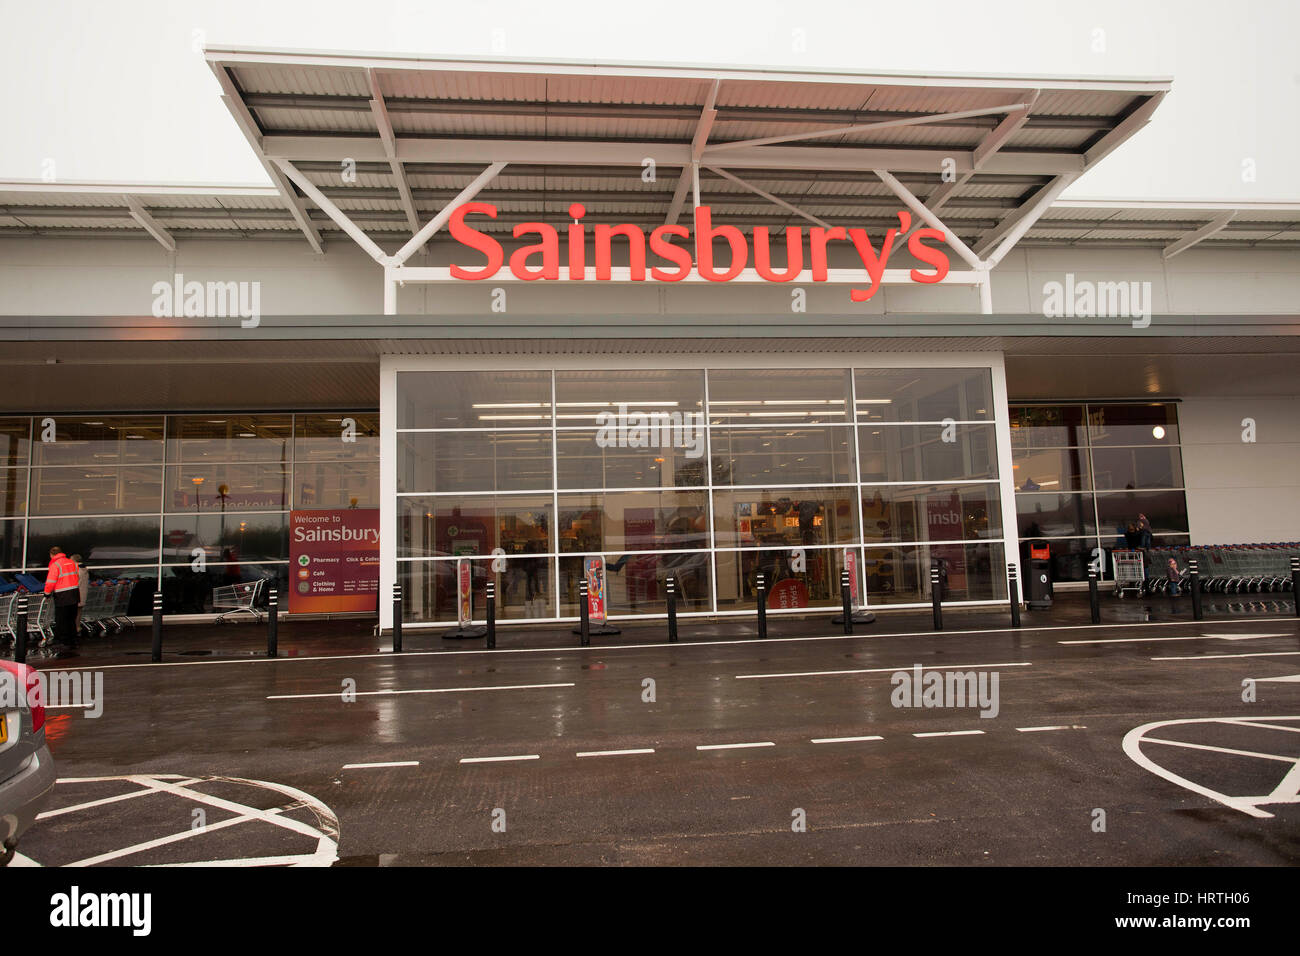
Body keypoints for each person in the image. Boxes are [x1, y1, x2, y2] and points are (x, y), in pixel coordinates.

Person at [43, 546, 81, 649]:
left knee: (61, 618)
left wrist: (46, 593)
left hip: (62, 594)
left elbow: (51, 581)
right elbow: (77, 576)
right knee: (71, 618)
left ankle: (64, 640)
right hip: (74, 592)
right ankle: (73, 638)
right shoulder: (72, 562)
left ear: (52, 554)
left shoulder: (55, 565)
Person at [71, 553, 89, 635]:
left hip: (75, 594)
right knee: (78, 613)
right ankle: (77, 627)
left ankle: (75, 629)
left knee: (73, 613)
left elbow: (74, 582)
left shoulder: (76, 570)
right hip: (82, 594)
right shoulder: (84, 569)